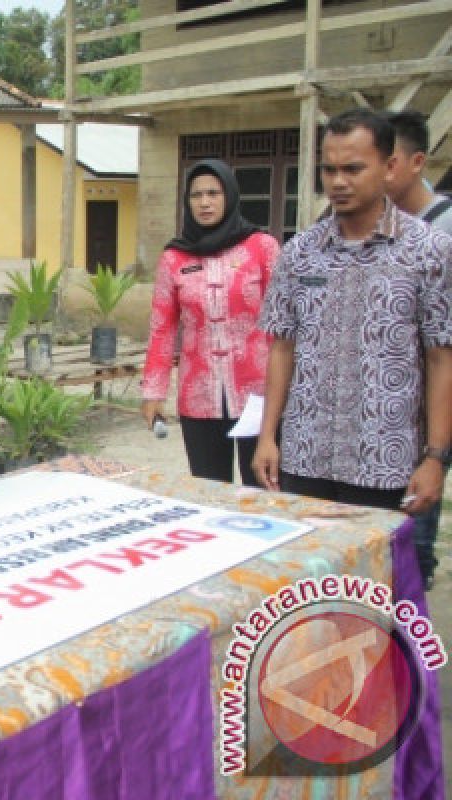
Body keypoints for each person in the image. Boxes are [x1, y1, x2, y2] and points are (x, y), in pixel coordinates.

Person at [253, 109, 452, 524]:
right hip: (303, 457)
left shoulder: (429, 251)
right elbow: (282, 347)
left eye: (353, 169)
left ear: (389, 166)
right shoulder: (298, 253)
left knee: (374, 584)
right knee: (309, 579)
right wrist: (268, 436)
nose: (339, 182)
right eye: (329, 170)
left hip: (385, 464)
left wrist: (435, 457)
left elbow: (440, 358)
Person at [140, 158, 280, 485]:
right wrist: (153, 392)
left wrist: (289, 390)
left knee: (263, 492)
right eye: (196, 195)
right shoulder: (174, 258)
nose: (204, 202)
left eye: (213, 193)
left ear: (229, 196)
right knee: (208, 490)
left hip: (258, 396)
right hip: (198, 398)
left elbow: (282, 327)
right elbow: (162, 330)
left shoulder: (262, 248)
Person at [385, 109, 452, 590]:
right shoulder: (375, 227)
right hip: (393, 405)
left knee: (418, 531)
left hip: (437, 398)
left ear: (415, 162)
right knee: (395, 528)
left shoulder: (445, 230)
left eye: (384, 163)